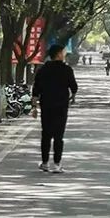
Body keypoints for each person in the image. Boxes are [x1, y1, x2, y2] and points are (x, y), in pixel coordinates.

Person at [32, 42, 78, 172]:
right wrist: (72, 97)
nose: (64, 55)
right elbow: (73, 87)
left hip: (46, 106)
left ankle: (45, 163)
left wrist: (34, 106)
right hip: (61, 106)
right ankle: (57, 164)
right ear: (58, 54)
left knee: (46, 135)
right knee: (59, 136)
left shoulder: (43, 70)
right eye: (63, 52)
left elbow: (36, 89)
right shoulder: (67, 70)